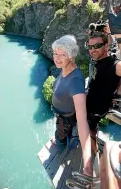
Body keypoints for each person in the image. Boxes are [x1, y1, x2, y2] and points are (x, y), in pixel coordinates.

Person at [52, 35, 93, 176]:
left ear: (71, 56)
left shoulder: (75, 81)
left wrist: (87, 162)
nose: (57, 57)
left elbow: (82, 120)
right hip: (63, 118)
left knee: (59, 142)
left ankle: (63, 148)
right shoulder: (65, 70)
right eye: (55, 53)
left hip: (65, 122)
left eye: (62, 54)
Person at [86, 31, 121, 154]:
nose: (92, 50)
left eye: (97, 46)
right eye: (90, 46)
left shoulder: (114, 64)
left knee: (87, 128)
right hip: (92, 102)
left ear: (106, 46)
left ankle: (94, 153)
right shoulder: (99, 60)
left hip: (96, 108)